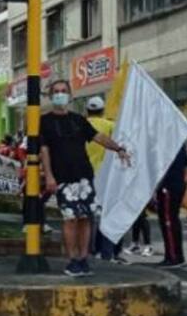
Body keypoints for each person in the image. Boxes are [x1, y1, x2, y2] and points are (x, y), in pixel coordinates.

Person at [39, 79, 129, 278]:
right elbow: (44, 150)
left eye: (63, 91)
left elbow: (98, 137)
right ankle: (72, 260)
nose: (60, 94)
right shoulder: (44, 122)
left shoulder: (79, 120)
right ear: (51, 96)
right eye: (56, 91)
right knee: (70, 219)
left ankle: (83, 258)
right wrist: (50, 176)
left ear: (70, 95)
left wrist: (118, 149)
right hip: (63, 178)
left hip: (84, 177)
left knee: (85, 218)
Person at [85, 95, 122, 262]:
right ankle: (108, 253)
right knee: (108, 214)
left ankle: (89, 250)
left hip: (85, 175)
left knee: (88, 216)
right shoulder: (111, 126)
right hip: (106, 176)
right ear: (102, 110)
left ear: (87, 110)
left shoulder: (81, 124)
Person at [154, 145, 187, 269]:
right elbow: (186, 167)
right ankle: (174, 254)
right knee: (170, 220)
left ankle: (173, 256)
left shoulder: (168, 144)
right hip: (175, 184)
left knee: (168, 221)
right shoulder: (179, 144)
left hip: (168, 185)